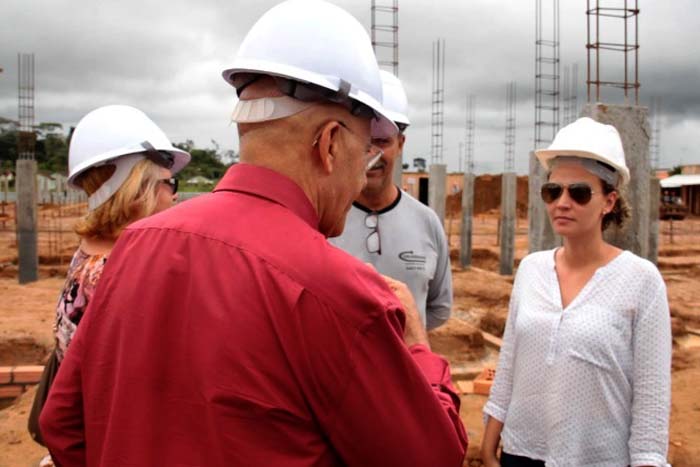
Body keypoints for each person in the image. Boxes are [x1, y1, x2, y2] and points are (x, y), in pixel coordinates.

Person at [39, 1, 468, 466]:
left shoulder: (137, 245)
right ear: (329, 144)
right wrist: (419, 349)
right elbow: (432, 456)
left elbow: (62, 422)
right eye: (363, 152)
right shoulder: (339, 293)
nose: (361, 176)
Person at [481, 117, 671, 467]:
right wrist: (488, 447)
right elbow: (510, 360)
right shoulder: (532, 269)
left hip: (597, 458)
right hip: (521, 453)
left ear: (609, 202)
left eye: (579, 192)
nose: (562, 202)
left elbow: (651, 397)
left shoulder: (641, 281)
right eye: (553, 191)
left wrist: (647, 459)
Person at [28, 104, 190, 464]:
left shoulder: (90, 253)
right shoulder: (119, 272)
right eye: (169, 183)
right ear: (138, 189)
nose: (175, 195)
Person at [330, 70, 452, 330]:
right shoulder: (322, 220)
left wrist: (396, 341)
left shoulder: (426, 222)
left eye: (382, 141)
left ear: (400, 143)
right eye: (362, 140)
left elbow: (440, 308)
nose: (371, 153)